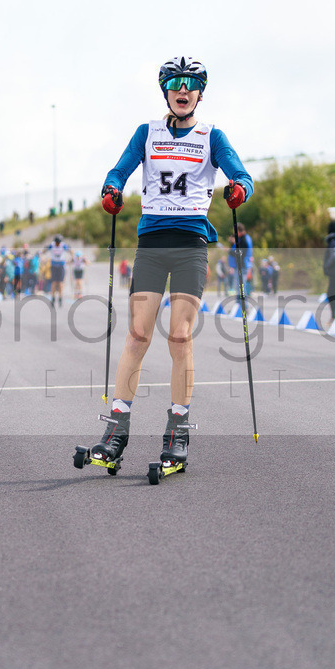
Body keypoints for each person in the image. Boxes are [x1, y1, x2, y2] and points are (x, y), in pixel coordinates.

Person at [91, 56, 254, 468]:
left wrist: (239, 189)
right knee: (137, 336)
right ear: (166, 91)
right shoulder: (147, 133)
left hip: (190, 244)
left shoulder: (211, 135)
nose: (183, 91)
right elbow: (119, 170)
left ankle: (178, 431)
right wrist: (112, 188)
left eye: (191, 85)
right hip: (151, 242)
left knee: (179, 337)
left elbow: (242, 175)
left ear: (199, 93)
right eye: (176, 84)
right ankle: (115, 431)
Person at [48, 235, 69, 306]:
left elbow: (70, 251)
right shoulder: (52, 245)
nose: (58, 244)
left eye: (59, 242)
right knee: (54, 282)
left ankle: (60, 297)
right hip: (54, 265)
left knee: (60, 283)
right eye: (57, 242)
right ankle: (53, 297)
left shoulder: (63, 245)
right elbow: (45, 250)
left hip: (61, 265)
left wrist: (72, 257)